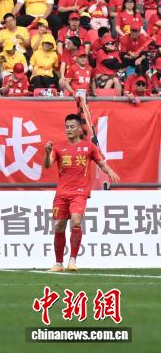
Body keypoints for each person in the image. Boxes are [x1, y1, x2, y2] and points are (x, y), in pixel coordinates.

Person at [43, 114, 119, 273]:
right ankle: (58, 263)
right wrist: (47, 152)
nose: (68, 129)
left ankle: (72, 260)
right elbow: (48, 165)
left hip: (80, 192)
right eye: (66, 127)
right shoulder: (58, 147)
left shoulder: (89, 147)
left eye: (72, 127)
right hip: (61, 193)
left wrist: (109, 171)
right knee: (59, 226)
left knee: (76, 221)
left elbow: (101, 163)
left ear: (79, 129)